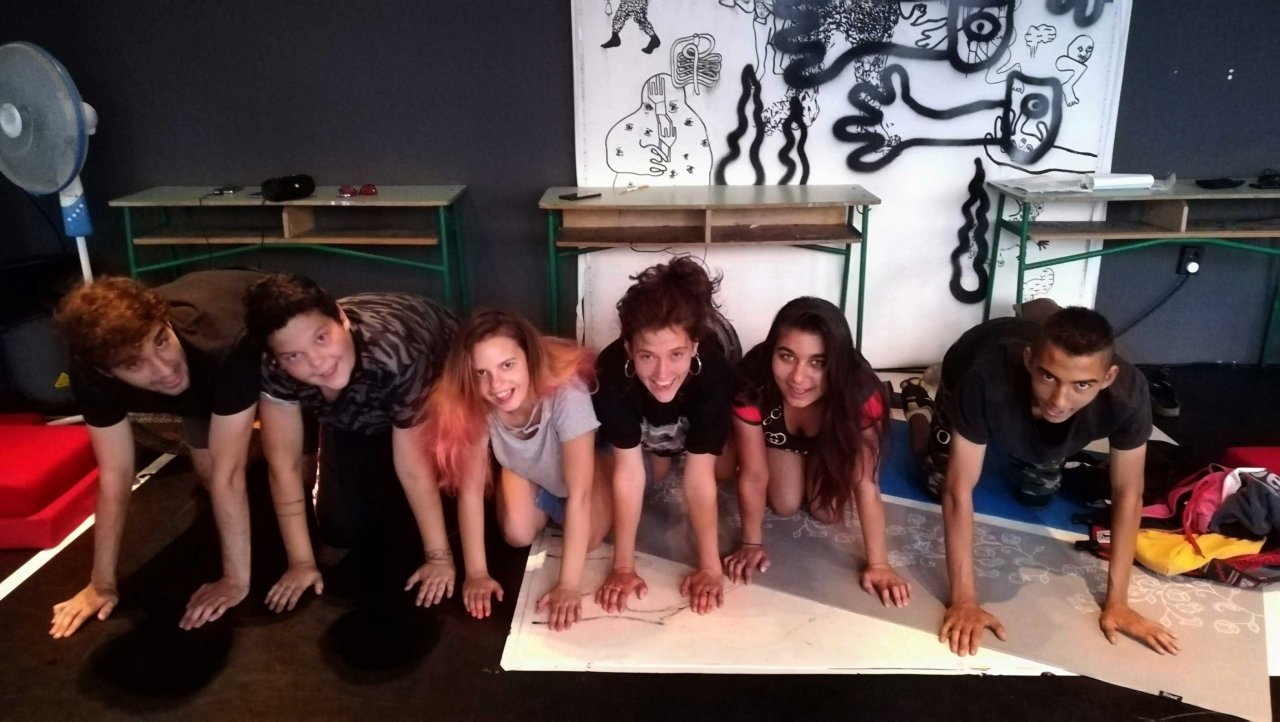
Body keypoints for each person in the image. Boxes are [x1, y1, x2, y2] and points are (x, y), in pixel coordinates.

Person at [909, 305, 1179, 656]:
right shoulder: (985, 380)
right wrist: (964, 601)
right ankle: (918, 406)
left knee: (1036, 494)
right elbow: (958, 491)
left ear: (1108, 377)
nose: (1059, 399)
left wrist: (1119, 603)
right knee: (937, 482)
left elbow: (1129, 493)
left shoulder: (1128, 395)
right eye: (1048, 377)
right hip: (970, 360)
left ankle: (1036, 320)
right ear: (1028, 361)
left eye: (1082, 385)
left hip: (1024, 406)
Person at [50, 270, 264, 638]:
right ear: (105, 370)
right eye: (134, 364)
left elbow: (230, 475)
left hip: (258, 340)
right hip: (205, 380)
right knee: (211, 476)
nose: (164, 370)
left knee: (288, 475)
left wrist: (235, 579)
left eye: (161, 341)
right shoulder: (91, 372)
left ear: (164, 320)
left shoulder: (223, 343)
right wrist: (101, 583)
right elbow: (116, 473)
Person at [243, 274, 458, 612]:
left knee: (433, 507)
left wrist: (439, 558)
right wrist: (301, 562)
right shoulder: (275, 366)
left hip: (437, 376)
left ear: (341, 318)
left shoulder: (395, 353)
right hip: (353, 411)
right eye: (294, 355)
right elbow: (283, 464)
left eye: (322, 338)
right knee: (341, 527)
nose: (317, 361)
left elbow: (413, 468)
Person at [425, 309, 610, 631]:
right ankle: (539, 494)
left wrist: (568, 585)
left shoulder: (567, 393)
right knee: (516, 534)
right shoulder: (475, 402)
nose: (496, 384)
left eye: (507, 365)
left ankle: (559, 501)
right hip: (531, 472)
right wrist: (476, 574)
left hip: (586, 473)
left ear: (529, 357)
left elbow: (579, 493)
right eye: (481, 372)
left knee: (590, 539)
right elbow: (470, 491)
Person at [727, 297, 911, 607]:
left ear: (836, 365)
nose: (798, 378)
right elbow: (754, 474)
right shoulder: (750, 383)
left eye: (818, 362)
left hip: (828, 442)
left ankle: (813, 462)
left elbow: (866, 483)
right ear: (772, 352)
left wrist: (879, 563)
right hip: (779, 439)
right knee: (784, 503)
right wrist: (750, 543)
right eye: (787, 356)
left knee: (826, 511)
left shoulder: (862, 395)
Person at [592, 256, 737, 615]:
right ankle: (662, 454)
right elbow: (628, 473)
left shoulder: (714, 372)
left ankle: (674, 450)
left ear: (695, 347)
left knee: (720, 471)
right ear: (628, 349)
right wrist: (622, 567)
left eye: (676, 355)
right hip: (652, 436)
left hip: (692, 432)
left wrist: (710, 568)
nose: (661, 373)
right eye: (647, 357)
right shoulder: (610, 371)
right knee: (646, 476)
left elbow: (699, 477)